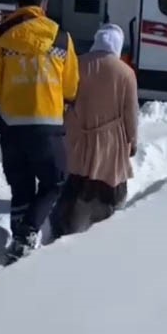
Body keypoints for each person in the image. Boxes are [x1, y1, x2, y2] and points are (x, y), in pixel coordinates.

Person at [0, 0, 79, 263]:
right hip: (47, 127)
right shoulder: (60, 37)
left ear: (16, 4)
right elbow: (71, 86)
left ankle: (19, 236)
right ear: (44, 4)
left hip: (11, 126)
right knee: (55, 181)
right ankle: (27, 232)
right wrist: (66, 100)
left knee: (20, 184)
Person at [50, 23, 138, 238]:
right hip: (112, 139)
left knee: (76, 180)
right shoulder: (126, 73)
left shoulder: (77, 64)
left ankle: (66, 222)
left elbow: (63, 98)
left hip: (77, 133)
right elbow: (131, 113)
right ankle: (104, 222)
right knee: (109, 182)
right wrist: (132, 141)